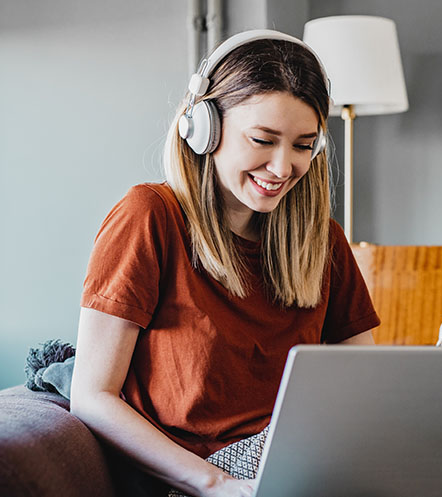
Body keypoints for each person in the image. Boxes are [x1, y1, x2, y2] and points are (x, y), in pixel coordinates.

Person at [70, 30, 380, 497]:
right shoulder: (149, 217)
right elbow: (92, 398)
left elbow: (368, 390)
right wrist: (217, 484)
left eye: (302, 145)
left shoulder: (323, 241)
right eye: (262, 139)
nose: (282, 168)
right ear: (203, 127)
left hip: (306, 466)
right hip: (204, 478)